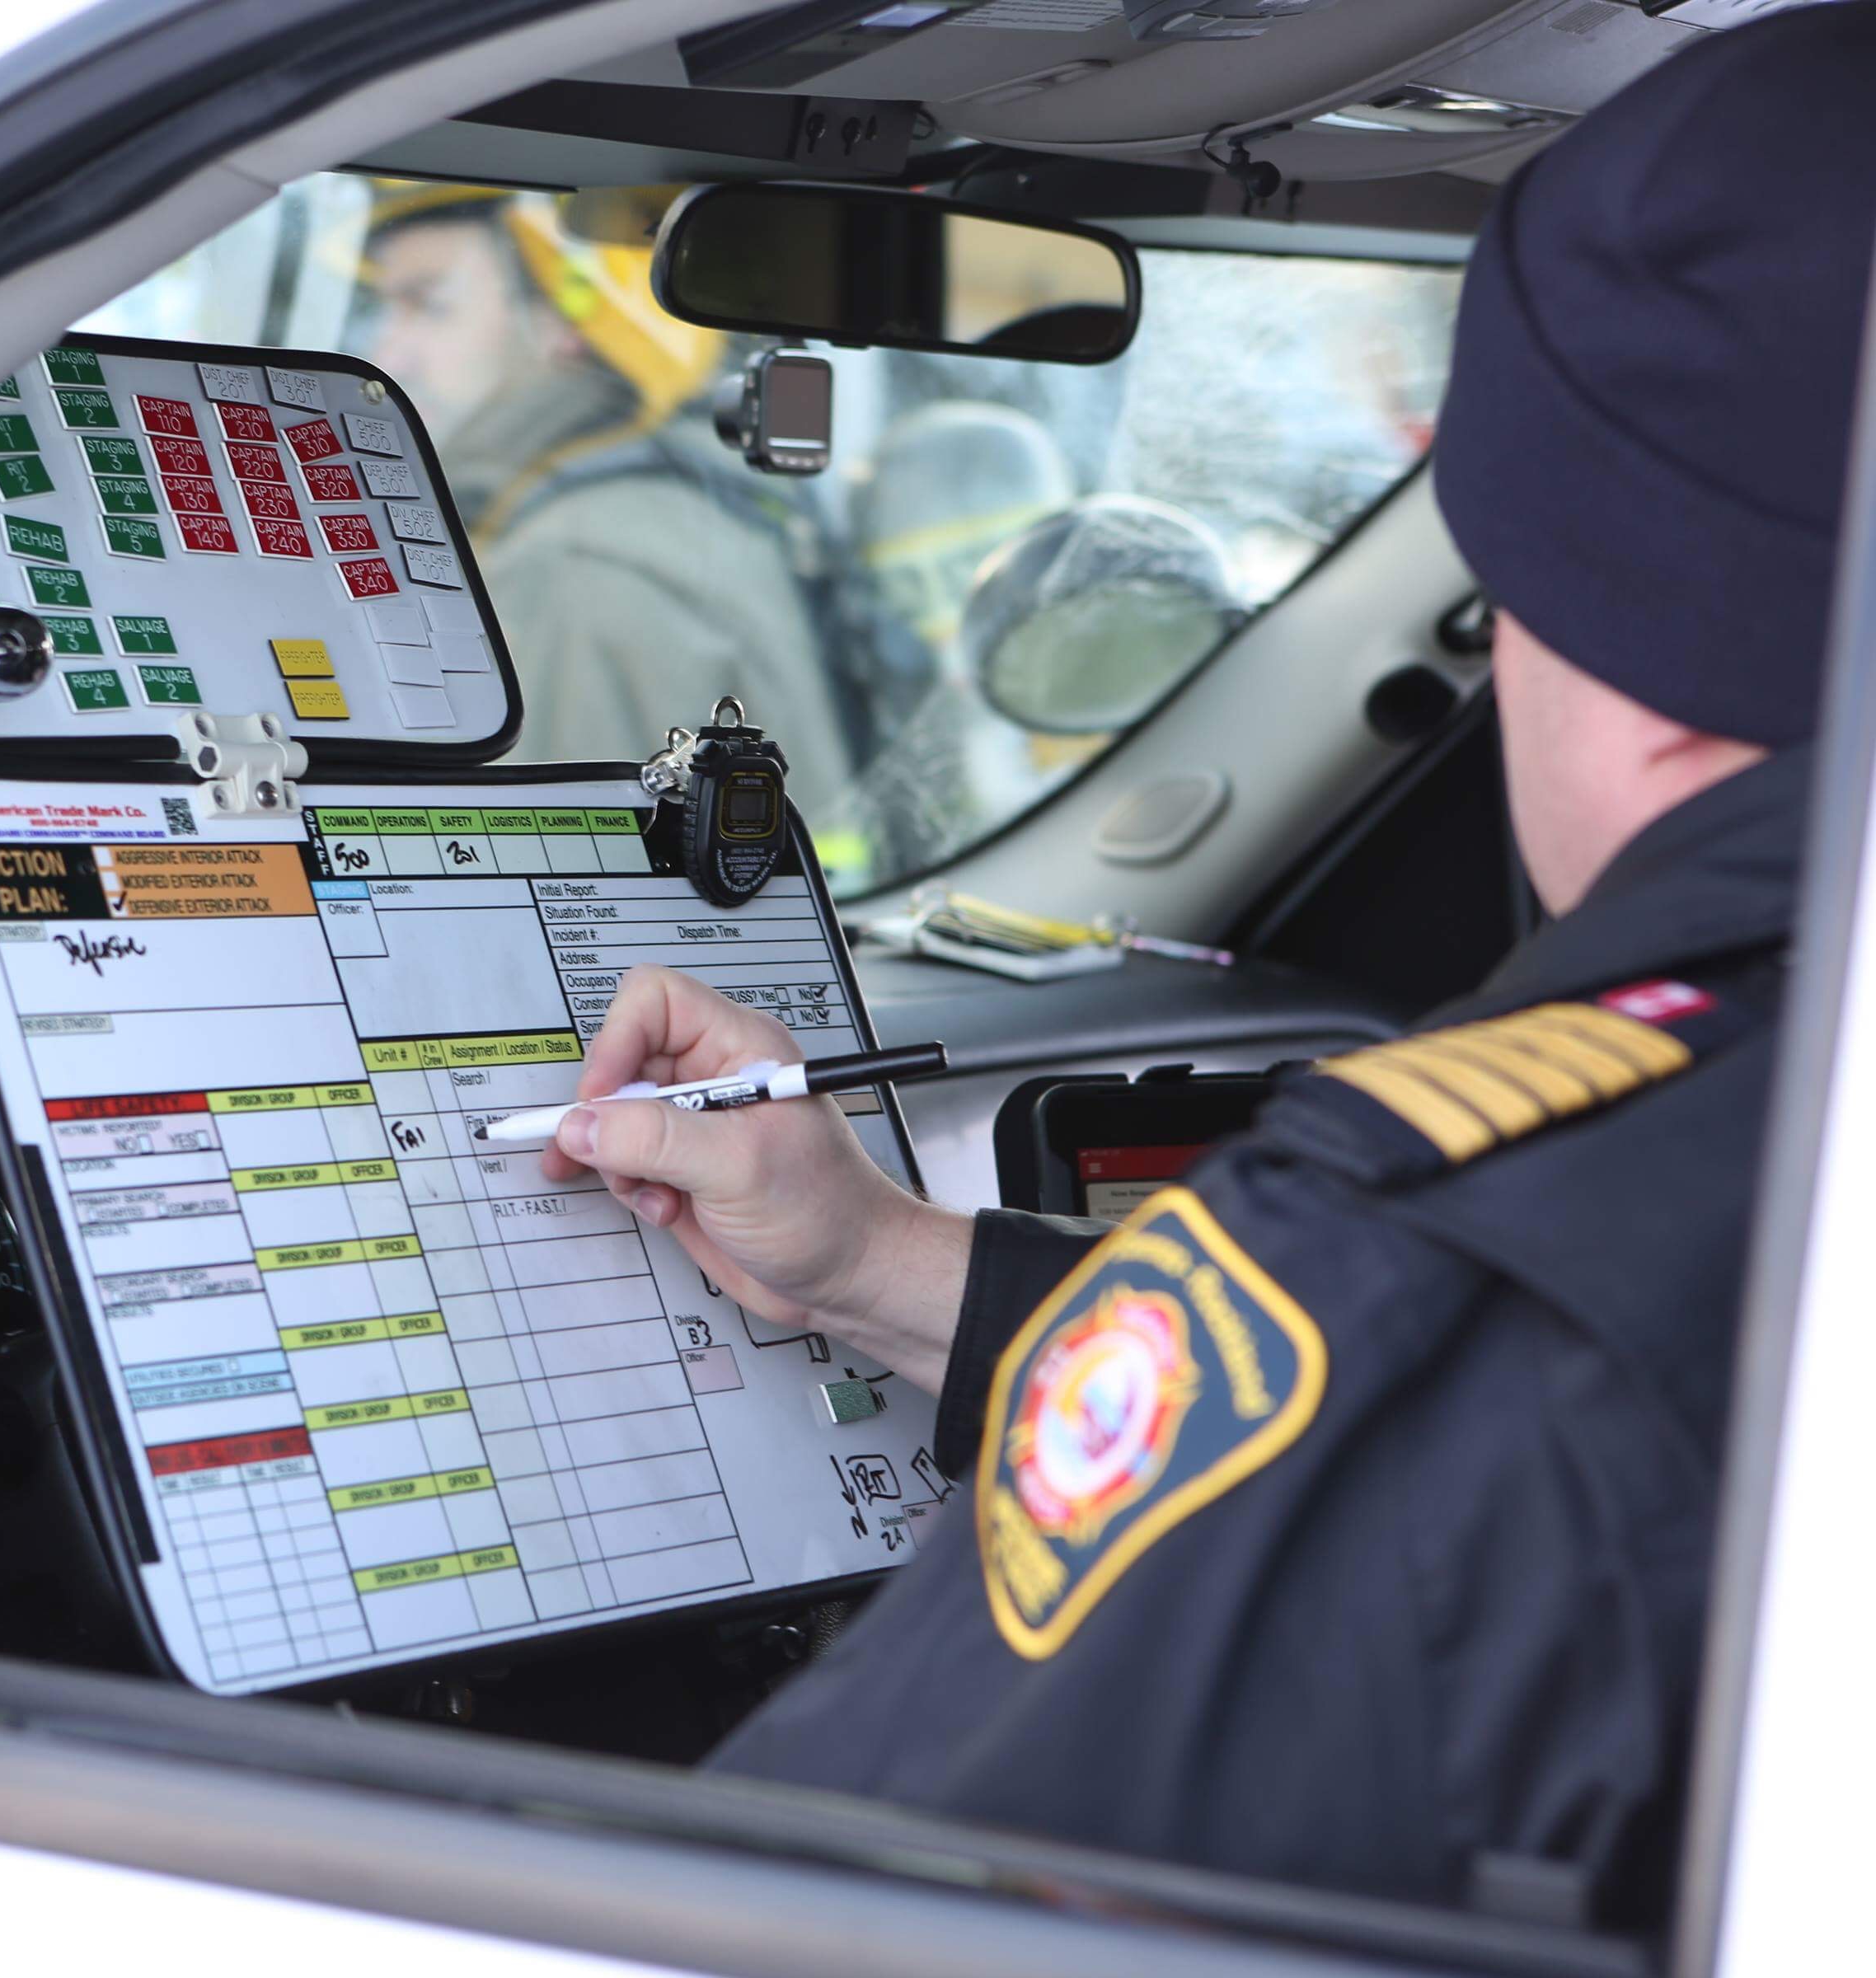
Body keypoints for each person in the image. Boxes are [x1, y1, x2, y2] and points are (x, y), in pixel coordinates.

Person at [540, 6, 1876, 1924]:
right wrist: (875, 1263)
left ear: (1654, 640)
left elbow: (783, 1912)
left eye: (1507, 604)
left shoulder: (1466, 1276)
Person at [357, 185, 853, 796]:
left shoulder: (565, 571)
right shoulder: (672, 505)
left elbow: (552, 882)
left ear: (565, 318)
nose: (387, 353)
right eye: (384, 309)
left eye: (428, 305)